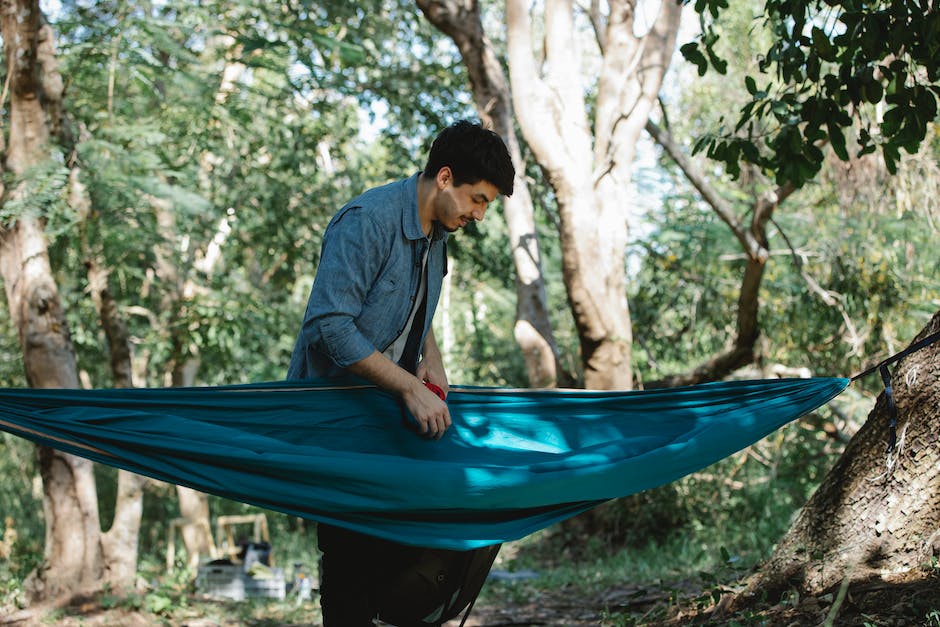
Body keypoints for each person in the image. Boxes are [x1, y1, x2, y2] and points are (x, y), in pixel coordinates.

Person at [287, 120, 514, 626]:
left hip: (383, 419)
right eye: (477, 199)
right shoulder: (366, 221)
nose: (478, 214)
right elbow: (329, 326)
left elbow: (414, 309)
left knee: (423, 538)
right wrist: (410, 386)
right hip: (336, 420)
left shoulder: (438, 235)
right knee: (350, 562)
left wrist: (430, 358)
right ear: (445, 177)